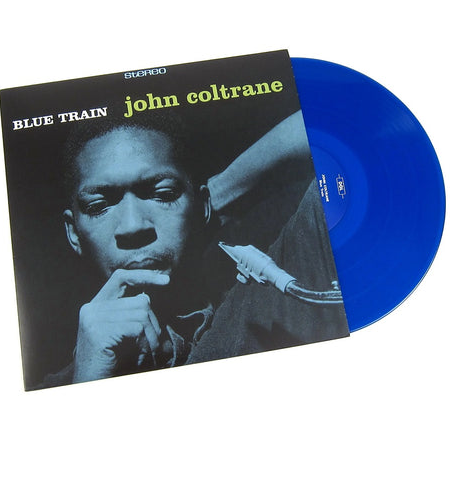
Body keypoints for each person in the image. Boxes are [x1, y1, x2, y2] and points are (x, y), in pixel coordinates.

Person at [41, 110, 349, 388]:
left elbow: (336, 119)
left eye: (163, 194)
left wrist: (218, 195)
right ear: (73, 233)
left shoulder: (270, 308)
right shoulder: (56, 389)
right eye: (99, 206)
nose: (133, 226)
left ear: (200, 205)